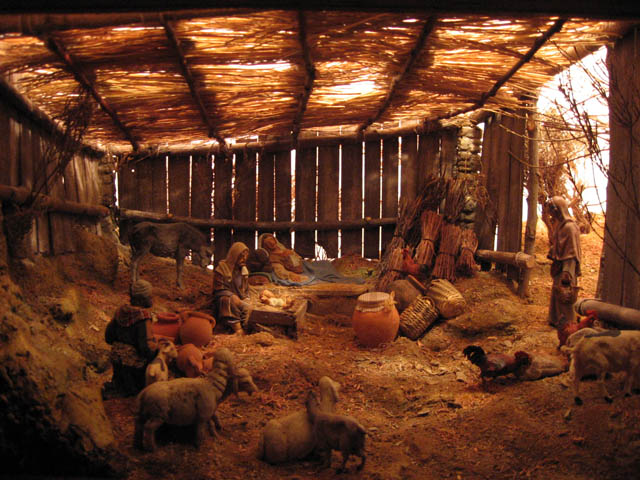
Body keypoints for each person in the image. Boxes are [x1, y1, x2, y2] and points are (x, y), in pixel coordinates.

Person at [104, 279, 159, 396]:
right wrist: (158, 349)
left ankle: (119, 385)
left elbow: (108, 337)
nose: (152, 299)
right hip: (135, 371)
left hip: (117, 365)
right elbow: (145, 349)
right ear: (142, 299)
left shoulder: (120, 312)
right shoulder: (143, 317)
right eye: (150, 296)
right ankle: (134, 389)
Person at [546, 196, 582, 329]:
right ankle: (556, 318)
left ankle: (567, 321)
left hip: (567, 266)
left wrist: (567, 271)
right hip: (559, 264)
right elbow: (559, 243)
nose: (551, 214)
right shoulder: (560, 225)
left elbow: (571, 252)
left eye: (552, 211)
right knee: (557, 292)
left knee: (565, 294)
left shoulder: (570, 228)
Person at [212, 242, 251, 334]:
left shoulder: (243, 271)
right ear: (234, 256)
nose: (244, 259)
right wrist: (231, 295)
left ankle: (245, 326)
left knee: (249, 306)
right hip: (224, 297)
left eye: (246, 256)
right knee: (227, 301)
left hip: (239, 299)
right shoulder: (222, 269)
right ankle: (237, 328)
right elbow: (218, 288)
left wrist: (246, 297)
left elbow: (245, 289)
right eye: (241, 256)